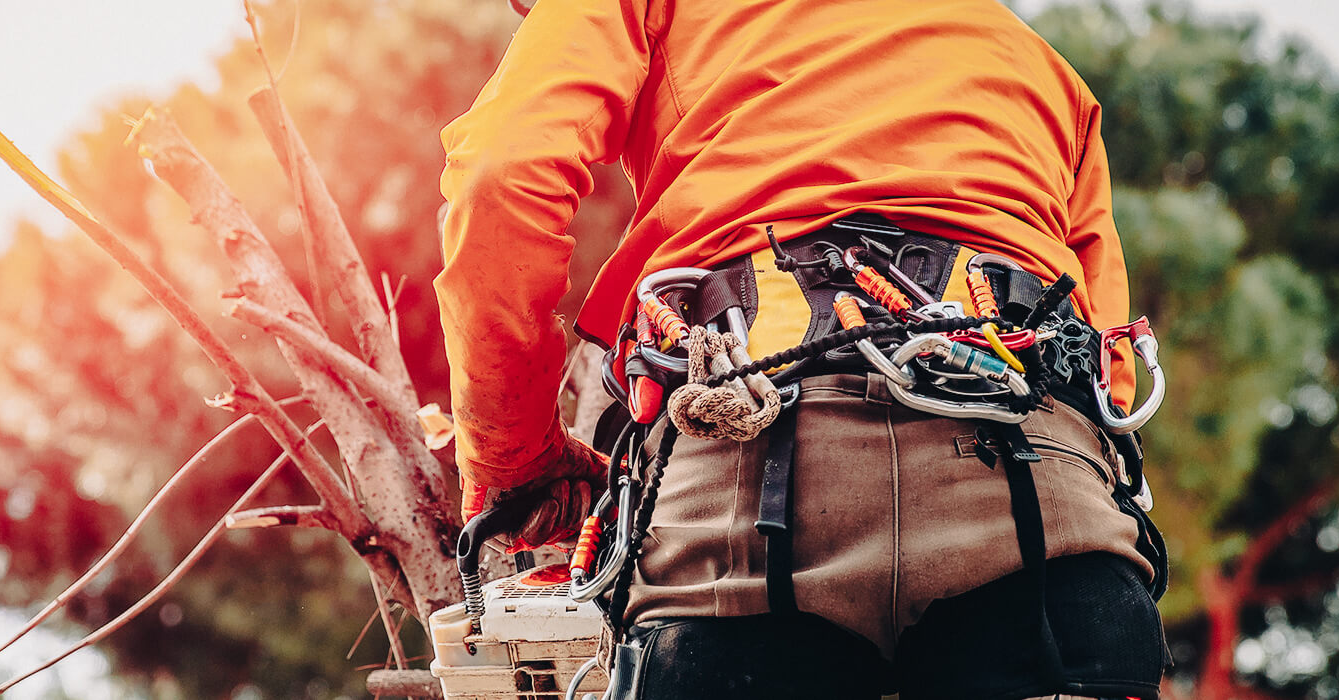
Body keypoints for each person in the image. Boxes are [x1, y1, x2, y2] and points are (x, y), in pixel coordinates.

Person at [433, 0, 1170, 698]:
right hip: (1033, 496)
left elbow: (502, 175)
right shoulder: (1042, 69)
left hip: (746, 483)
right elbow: (1107, 365)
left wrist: (515, 459)